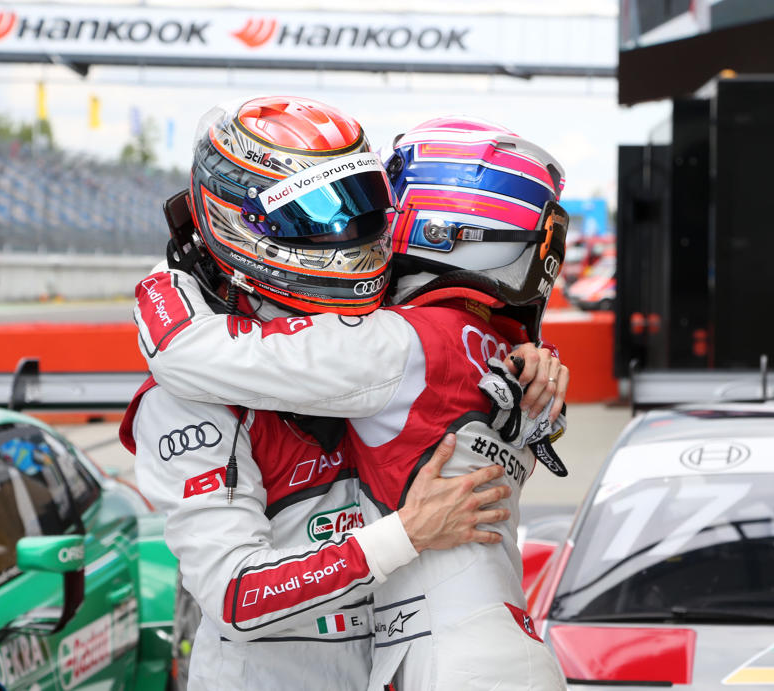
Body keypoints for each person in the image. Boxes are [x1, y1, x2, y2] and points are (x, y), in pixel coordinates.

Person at [134, 105, 570, 689]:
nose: (347, 228)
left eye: (361, 200)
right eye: (313, 212)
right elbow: (237, 595)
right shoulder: (185, 399)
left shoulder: (390, 337)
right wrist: (405, 536)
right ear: (240, 223)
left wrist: (531, 369)